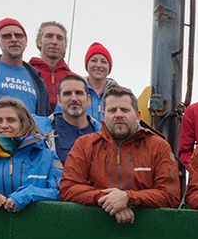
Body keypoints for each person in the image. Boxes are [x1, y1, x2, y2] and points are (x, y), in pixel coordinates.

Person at [60, 85, 181, 222]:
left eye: (124, 110)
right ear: (104, 116)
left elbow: (170, 196)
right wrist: (108, 200)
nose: (118, 114)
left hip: (148, 233)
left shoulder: (158, 146)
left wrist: (129, 198)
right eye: (112, 110)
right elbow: (68, 189)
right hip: (94, 231)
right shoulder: (84, 145)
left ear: (138, 115)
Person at [47, 73, 100, 166]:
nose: (74, 98)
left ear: (88, 99)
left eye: (79, 93)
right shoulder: (42, 133)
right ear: (59, 100)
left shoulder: (103, 134)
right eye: (67, 94)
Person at [27, 20, 73, 108]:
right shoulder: (27, 74)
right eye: (49, 36)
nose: (54, 42)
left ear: (65, 45)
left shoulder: (74, 80)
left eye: (59, 38)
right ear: (39, 42)